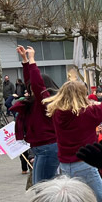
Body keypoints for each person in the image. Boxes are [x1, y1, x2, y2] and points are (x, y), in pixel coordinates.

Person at [14, 46, 60, 184]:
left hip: (48, 147)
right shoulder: (35, 101)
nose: (28, 90)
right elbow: (30, 80)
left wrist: (32, 59)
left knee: (41, 186)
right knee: (40, 185)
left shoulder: (45, 101)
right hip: (41, 148)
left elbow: (36, 83)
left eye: (31, 88)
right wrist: (25, 60)